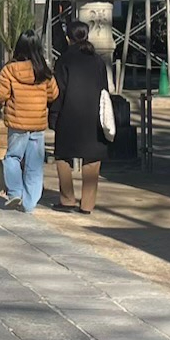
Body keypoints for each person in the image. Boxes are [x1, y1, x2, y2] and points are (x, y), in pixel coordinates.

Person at [0, 30, 58, 213]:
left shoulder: (9, 70)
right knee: (34, 165)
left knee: (12, 158)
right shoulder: (44, 70)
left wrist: (1, 101)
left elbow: (1, 95)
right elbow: (53, 94)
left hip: (17, 123)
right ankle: (29, 204)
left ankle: (15, 192)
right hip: (37, 124)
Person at [51, 19, 109, 212]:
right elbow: (104, 89)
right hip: (93, 116)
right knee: (92, 159)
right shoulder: (97, 60)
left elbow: (58, 91)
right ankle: (87, 204)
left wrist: (54, 115)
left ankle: (67, 199)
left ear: (69, 38)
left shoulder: (64, 60)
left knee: (63, 157)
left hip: (69, 114)